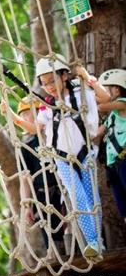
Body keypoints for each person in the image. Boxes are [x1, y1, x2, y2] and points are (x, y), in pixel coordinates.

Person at [13, 54, 101, 258]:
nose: (49, 87)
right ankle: (93, 242)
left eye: (52, 81)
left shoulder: (81, 92)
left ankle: (98, 242)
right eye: (44, 84)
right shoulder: (47, 106)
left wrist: (86, 76)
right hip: (61, 159)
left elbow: (104, 98)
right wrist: (14, 118)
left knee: (91, 198)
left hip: (84, 153)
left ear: (64, 76)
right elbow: (36, 128)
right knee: (78, 198)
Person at [1, 96, 66, 254]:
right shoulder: (26, 147)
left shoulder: (57, 134)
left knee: (70, 229)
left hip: (63, 189)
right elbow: (25, 179)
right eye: (22, 114)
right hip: (43, 197)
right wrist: (27, 204)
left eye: (28, 113)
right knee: (52, 239)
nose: (25, 117)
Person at [97, 69, 126, 223]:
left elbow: (102, 106)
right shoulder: (112, 117)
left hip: (124, 159)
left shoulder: (123, 104)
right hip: (114, 165)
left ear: (116, 88)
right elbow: (97, 133)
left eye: (105, 89)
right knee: (123, 206)